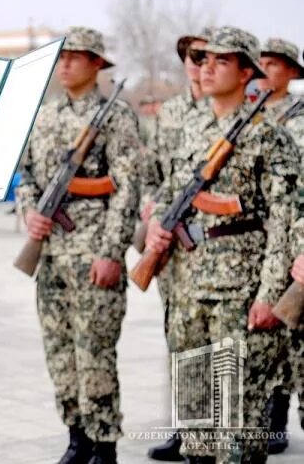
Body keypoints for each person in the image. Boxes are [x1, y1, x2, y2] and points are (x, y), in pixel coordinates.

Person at [146, 27, 299, 463]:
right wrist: (158, 224)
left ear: (247, 71)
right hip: (187, 287)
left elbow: (284, 223)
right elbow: (167, 191)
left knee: (236, 428)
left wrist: (270, 294)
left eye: (221, 61)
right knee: (195, 420)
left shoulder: (269, 137)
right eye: (203, 59)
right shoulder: (191, 129)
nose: (206, 68)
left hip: (240, 292)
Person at [16, 26, 141, 464]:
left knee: (95, 353)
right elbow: (26, 176)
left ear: (97, 64)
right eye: (62, 55)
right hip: (50, 256)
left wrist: (111, 252)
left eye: (77, 56)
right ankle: (76, 436)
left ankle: (104, 444)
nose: (65, 63)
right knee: (59, 350)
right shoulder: (45, 116)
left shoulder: (117, 116)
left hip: (93, 255)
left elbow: (128, 190)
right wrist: (30, 210)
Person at [144, 28, 212, 462]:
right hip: (172, 246)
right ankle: (184, 430)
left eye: (204, 55)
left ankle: (213, 437)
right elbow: (153, 174)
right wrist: (152, 216)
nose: (195, 62)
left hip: (215, 249)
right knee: (178, 338)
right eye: (188, 54)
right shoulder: (169, 114)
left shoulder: (229, 112)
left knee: (215, 346)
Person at [257, 38, 304, 453]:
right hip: (261, 241)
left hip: (296, 238)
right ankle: (267, 417)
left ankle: (278, 417)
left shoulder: (300, 118)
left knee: (292, 332)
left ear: (291, 71)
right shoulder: (253, 116)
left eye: (272, 64)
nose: (264, 69)